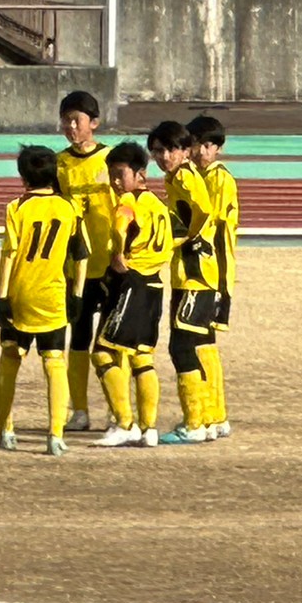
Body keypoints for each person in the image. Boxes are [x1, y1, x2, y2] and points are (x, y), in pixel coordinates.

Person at [0, 146, 87, 455]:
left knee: (10, 359)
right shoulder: (69, 208)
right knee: (54, 362)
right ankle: (55, 435)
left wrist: (1, 297)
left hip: (21, 293)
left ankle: (6, 431)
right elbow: (81, 256)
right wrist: (77, 295)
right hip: (53, 295)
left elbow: (8, 255)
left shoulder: (16, 208)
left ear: (23, 176)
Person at [91, 142, 172, 447]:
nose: (114, 181)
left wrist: (118, 254)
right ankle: (149, 428)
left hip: (132, 284)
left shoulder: (128, 201)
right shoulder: (159, 205)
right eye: (111, 174)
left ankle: (125, 423)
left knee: (102, 353)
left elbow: (120, 224)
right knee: (142, 357)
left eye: (119, 174)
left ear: (139, 174)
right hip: (154, 285)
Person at [146, 120, 220, 445]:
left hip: (195, 274)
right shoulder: (176, 176)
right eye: (158, 151)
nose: (164, 156)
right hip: (199, 273)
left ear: (185, 150)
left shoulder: (186, 177)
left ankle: (194, 422)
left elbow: (202, 211)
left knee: (181, 345)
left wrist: (179, 236)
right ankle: (210, 418)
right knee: (201, 345)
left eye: (170, 149)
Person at [55, 90, 113, 432]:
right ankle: (79, 410)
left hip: (109, 263)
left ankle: (115, 408)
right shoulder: (59, 163)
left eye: (76, 120)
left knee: (109, 342)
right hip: (75, 267)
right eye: (66, 120)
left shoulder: (110, 158)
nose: (70, 126)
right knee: (77, 337)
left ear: (94, 123)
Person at [186, 115, 237, 438]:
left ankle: (209, 415)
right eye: (196, 144)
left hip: (212, 270)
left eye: (208, 145)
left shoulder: (219, 180)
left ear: (217, 148)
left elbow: (211, 226)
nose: (201, 151)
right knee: (205, 340)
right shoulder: (197, 175)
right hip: (208, 269)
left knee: (198, 340)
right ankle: (216, 415)